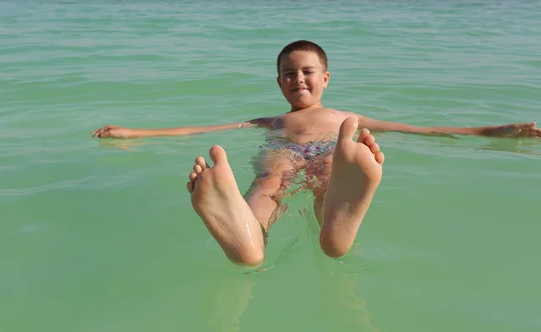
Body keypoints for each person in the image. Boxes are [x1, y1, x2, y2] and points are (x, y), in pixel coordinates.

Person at [92, 40, 540, 266]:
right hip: (284, 153)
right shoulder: (269, 121)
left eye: (308, 72)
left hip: (334, 150)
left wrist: (495, 130)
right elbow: (199, 128)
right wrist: (134, 132)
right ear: (279, 82)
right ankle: (246, 239)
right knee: (269, 183)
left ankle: (335, 223)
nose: (298, 79)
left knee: (332, 174)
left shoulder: (349, 118)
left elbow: (425, 130)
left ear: (327, 78)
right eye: (288, 74)